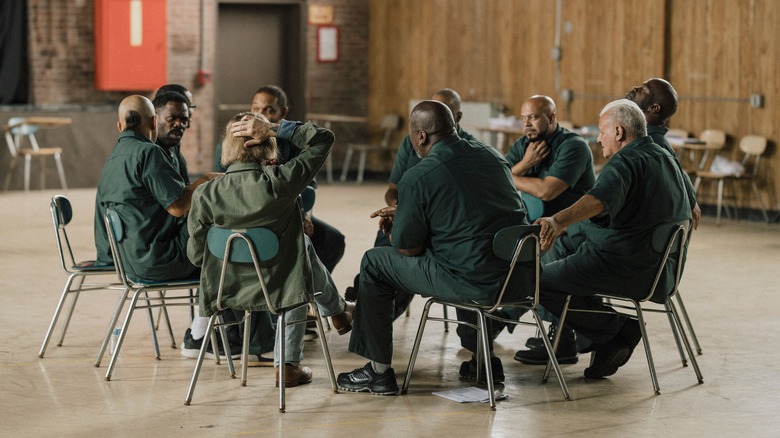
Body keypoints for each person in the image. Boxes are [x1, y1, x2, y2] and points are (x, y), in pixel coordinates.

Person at [336, 100, 531, 395]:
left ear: (421, 136)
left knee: (375, 262)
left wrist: (399, 225)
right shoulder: (493, 157)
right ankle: (482, 359)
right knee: (467, 251)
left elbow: (407, 249)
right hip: (519, 276)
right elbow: (475, 216)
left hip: (471, 281)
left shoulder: (419, 176)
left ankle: (377, 372)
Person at [187, 113, 353, 386]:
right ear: (266, 143)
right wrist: (276, 128)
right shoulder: (282, 181)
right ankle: (291, 360)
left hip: (226, 291)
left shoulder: (205, 194)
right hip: (278, 289)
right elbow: (325, 139)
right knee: (297, 259)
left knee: (301, 248)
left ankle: (337, 311)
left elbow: (195, 256)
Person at [533, 99, 692, 380]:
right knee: (568, 260)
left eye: (601, 131)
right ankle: (605, 338)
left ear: (618, 132)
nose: (598, 138)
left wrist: (557, 221)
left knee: (538, 280)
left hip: (622, 266)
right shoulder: (665, 156)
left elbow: (598, 199)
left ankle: (615, 330)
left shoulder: (626, 161)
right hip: (662, 269)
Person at [344, 88, 477, 319]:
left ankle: (372, 313)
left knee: (406, 251)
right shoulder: (412, 140)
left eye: (445, 111)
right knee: (391, 235)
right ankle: (369, 304)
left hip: (442, 226)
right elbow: (393, 189)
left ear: (457, 117)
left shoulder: (471, 149)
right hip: (408, 215)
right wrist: (399, 208)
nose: (434, 118)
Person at [500, 95, 596, 366]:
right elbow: (496, 182)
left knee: (542, 258)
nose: (526, 124)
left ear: (552, 118)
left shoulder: (574, 147)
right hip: (537, 227)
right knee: (501, 247)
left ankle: (561, 338)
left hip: (576, 232)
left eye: (533, 117)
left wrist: (514, 177)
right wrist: (524, 166)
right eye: (523, 118)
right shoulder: (523, 147)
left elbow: (547, 190)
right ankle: (497, 315)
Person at [93, 95, 217, 280]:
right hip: (161, 259)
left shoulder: (113, 158)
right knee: (222, 235)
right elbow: (178, 207)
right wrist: (206, 179)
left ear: (119, 126)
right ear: (153, 121)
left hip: (128, 262)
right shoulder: (148, 152)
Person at [626, 78, 701, 229]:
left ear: (654, 108)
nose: (635, 88)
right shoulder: (656, 144)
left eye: (643, 89)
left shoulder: (649, 146)